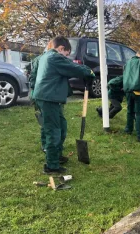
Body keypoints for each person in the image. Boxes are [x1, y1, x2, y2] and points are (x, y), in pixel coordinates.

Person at [33, 36, 95, 174]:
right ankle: (52, 166)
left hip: (50, 98)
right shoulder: (54, 57)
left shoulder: (46, 57)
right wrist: (88, 72)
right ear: (61, 48)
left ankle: (56, 155)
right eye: (66, 54)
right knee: (53, 131)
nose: (67, 57)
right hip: (48, 99)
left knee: (62, 127)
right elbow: (72, 67)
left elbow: (68, 69)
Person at [123, 49, 140, 142]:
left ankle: (128, 130)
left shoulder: (128, 62)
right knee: (139, 114)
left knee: (130, 111)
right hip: (137, 91)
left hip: (127, 90)